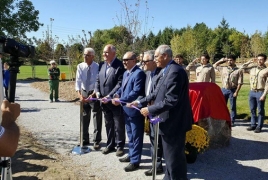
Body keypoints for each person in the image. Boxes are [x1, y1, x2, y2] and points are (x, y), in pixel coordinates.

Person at [130, 45, 193, 179]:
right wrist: (140, 102)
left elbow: (171, 100)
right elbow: (155, 93)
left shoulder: (175, 71)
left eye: (156, 57)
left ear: (165, 56)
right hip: (167, 122)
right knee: (170, 160)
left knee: (174, 161)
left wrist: (149, 109)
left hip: (174, 123)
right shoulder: (166, 70)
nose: (155, 60)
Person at [112, 51, 146, 172]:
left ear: (134, 60)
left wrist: (120, 99)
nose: (124, 62)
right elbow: (123, 88)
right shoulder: (126, 73)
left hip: (135, 110)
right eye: (123, 60)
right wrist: (116, 94)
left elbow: (135, 92)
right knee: (130, 135)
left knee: (136, 136)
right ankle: (132, 155)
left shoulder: (139, 73)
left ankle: (135, 161)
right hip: (126, 109)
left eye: (126, 60)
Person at [94, 44, 126, 156]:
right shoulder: (102, 64)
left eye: (106, 52)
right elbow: (98, 80)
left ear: (113, 53)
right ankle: (110, 144)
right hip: (103, 101)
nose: (104, 54)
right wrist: (97, 92)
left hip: (113, 101)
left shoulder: (119, 65)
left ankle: (120, 146)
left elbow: (120, 83)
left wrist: (110, 96)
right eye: (103, 52)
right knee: (108, 124)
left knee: (118, 124)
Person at [141, 50, 163, 176]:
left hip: (158, 112)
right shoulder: (148, 74)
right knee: (153, 138)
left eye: (145, 61)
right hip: (149, 112)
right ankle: (156, 164)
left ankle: (158, 165)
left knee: (157, 139)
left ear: (153, 62)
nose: (143, 63)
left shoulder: (161, 74)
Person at [75, 47, 103, 149]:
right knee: (84, 117)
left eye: (87, 55)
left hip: (93, 93)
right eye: (84, 55)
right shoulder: (80, 66)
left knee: (97, 117)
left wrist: (94, 93)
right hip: (83, 92)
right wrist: (79, 95)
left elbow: (98, 82)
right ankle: (84, 139)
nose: (85, 57)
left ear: (92, 56)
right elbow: (78, 81)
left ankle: (97, 140)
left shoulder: (98, 67)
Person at [241, 54, 268, 133]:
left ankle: (259, 126)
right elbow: (242, 68)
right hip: (252, 92)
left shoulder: (266, 70)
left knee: (260, 111)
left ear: (265, 60)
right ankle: (253, 125)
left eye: (261, 59)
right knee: (252, 110)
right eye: (258, 59)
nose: (259, 61)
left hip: (260, 92)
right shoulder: (252, 69)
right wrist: (249, 62)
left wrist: (264, 95)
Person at [213, 55, 244, 127]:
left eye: (231, 60)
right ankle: (222, 119)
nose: (229, 62)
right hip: (224, 89)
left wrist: (236, 92)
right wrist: (222, 60)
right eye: (228, 60)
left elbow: (240, 82)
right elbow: (214, 65)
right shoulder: (223, 69)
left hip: (232, 90)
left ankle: (232, 120)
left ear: (234, 61)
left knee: (232, 106)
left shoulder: (238, 70)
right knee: (222, 106)